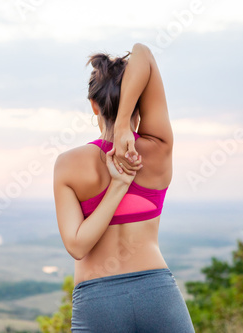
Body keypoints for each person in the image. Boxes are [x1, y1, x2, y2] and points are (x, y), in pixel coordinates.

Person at [53, 43, 195, 332]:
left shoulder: (68, 164)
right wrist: (123, 131)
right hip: (157, 294)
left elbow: (78, 246)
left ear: (93, 105)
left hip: (97, 302)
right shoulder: (158, 149)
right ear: (141, 101)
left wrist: (117, 181)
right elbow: (143, 53)